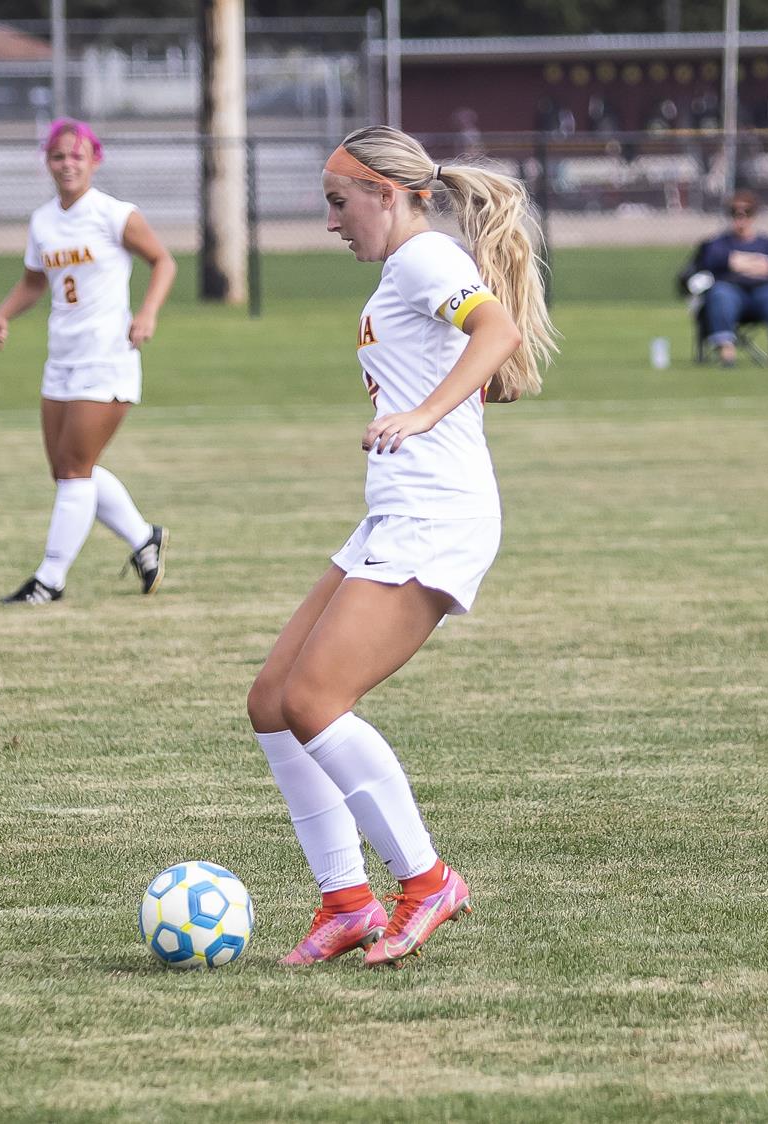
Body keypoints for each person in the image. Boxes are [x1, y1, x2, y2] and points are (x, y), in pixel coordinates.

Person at [245, 124, 556, 965]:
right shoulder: (404, 269)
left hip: (436, 517)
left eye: (338, 203)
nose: (331, 220)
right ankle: (346, 901)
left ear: (386, 194)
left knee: (314, 702)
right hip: (395, 514)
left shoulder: (424, 259)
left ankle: (427, 881)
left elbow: (497, 335)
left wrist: (422, 414)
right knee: (274, 703)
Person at [0, 119, 178, 605]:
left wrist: (148, 312)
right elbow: (34, 281)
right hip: (62, 357)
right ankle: (143, 538)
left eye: (77, 155)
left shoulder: (114, 214)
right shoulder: (43, 221)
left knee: (74, 472)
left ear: (95, 159)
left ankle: (49, 580)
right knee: (71, 470)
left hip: (107, 356)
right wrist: (4, 315)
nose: (67, 164)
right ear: (46, 163)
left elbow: (164, 261)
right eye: (57, 156)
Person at [689, 190, 768, 366]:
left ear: (754, 215)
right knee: (720, 294)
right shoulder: (719, 242)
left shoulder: (767, 243)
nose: (741, 218)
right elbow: (712, 261)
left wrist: (738, 262)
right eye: (735, 213)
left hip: (763, 293)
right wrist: (754, 263)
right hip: (732, 293)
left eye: (747, 212)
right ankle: (727, 354)